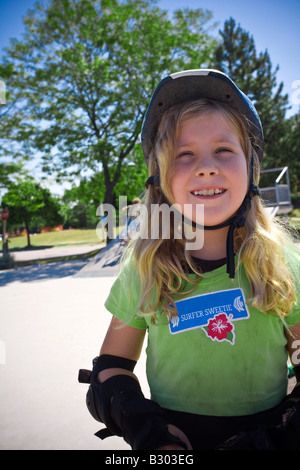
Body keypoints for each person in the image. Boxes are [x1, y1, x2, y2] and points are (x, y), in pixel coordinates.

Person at [79, 69, 300, 450]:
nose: (206, 166)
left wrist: (281, 435)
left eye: (224, 150)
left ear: (251, 167)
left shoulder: (282, 263)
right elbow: (111, 366)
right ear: (160, 180)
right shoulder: (145, 269)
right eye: (185, 154)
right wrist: (147, 430)